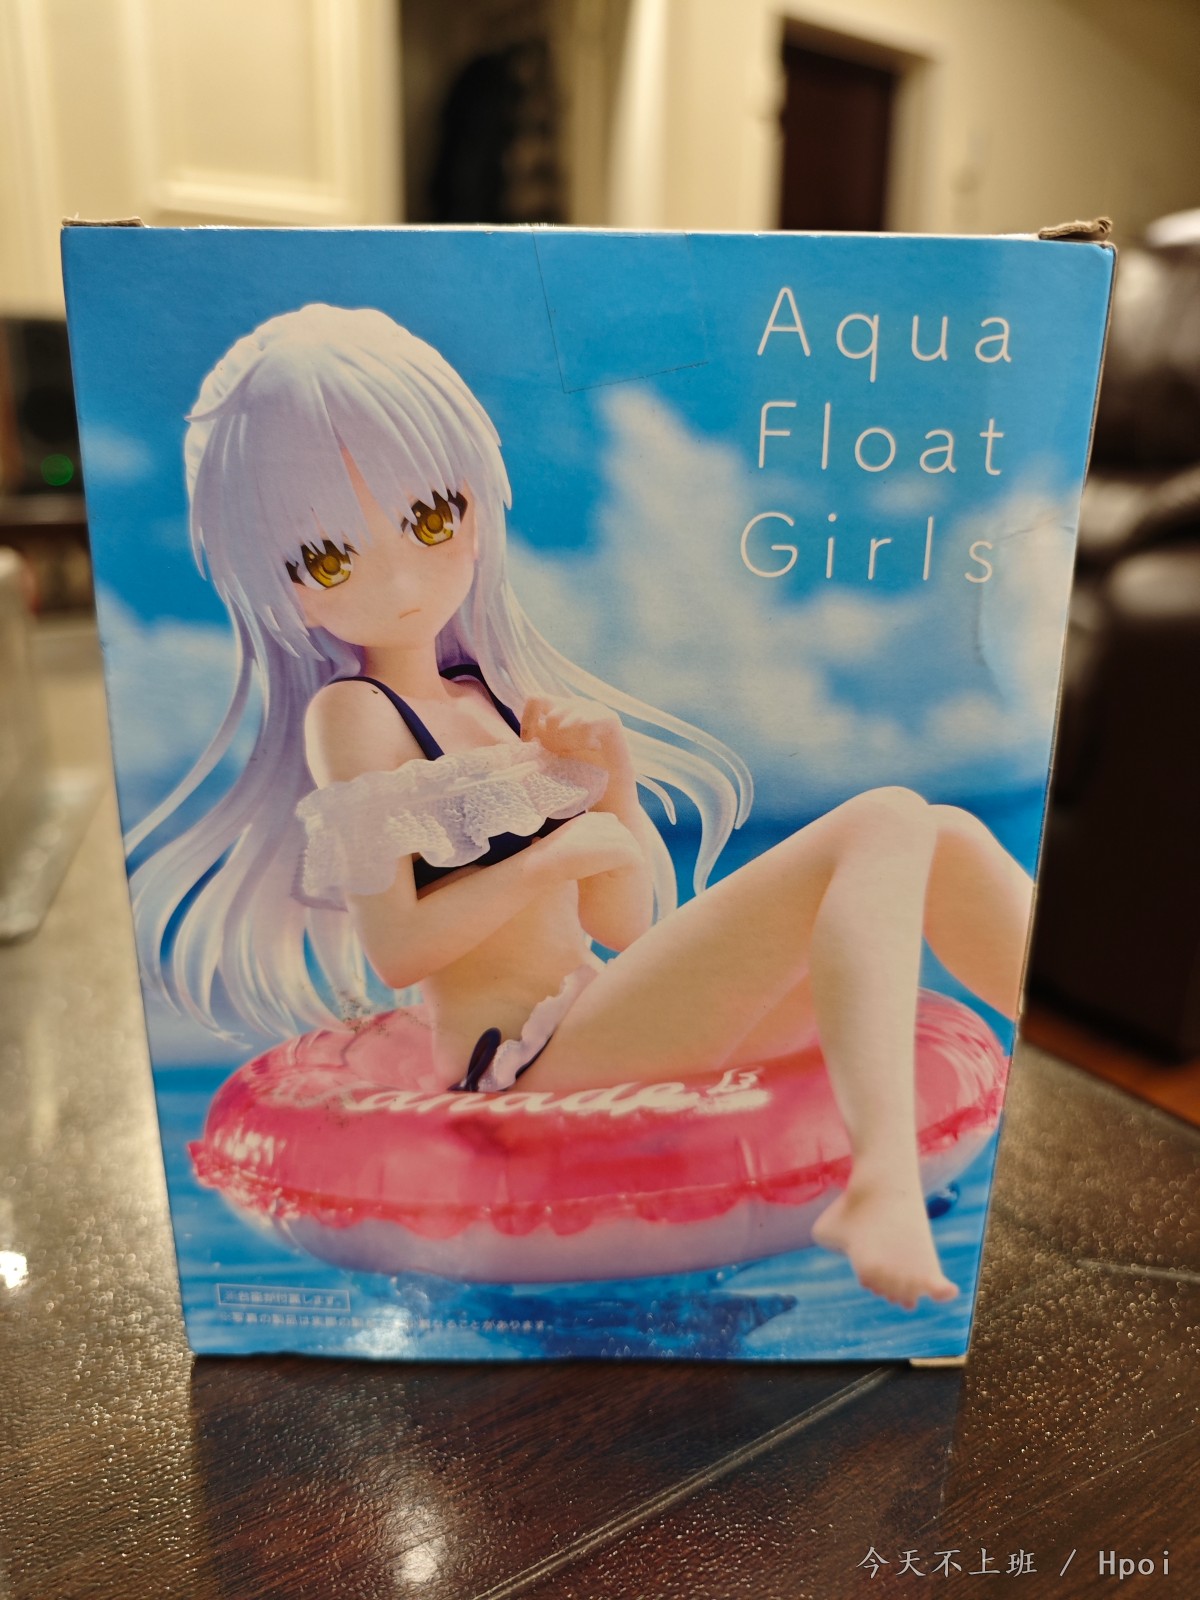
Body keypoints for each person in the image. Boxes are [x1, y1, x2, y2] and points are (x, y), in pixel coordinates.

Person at [131, 304, 1033, 1310]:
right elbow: (398, 950)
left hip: (596, 1014)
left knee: (943, 834)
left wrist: (615, 783)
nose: (401, 577)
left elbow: (625, 920)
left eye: (431, 520)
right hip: (520, 1065)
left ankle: (1062, 1086)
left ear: (474, 506)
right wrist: (545, 861)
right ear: (284, 584)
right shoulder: (355, 715)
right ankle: (884, 1187)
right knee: (886, 816)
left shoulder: (490, 699)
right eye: (331, 560)